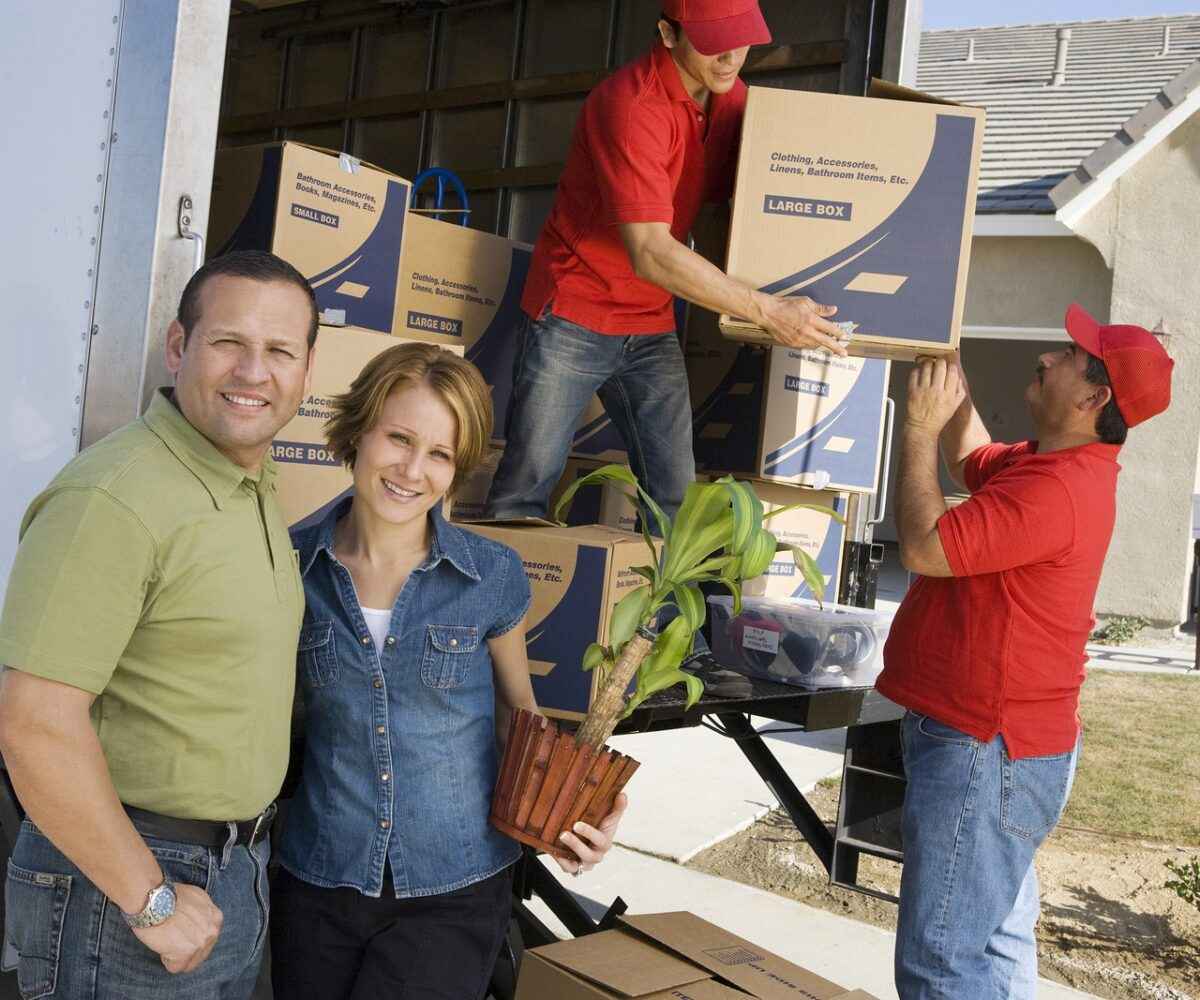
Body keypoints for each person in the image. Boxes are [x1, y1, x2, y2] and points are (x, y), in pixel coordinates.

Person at [0, 251, 318, 998]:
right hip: (126, 887)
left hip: (232, 877)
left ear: (307, 369)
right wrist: (153, 899)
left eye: (279, 351)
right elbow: (33, 723)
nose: (253, 373)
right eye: (228, 343)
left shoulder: (247, 483)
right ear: (179, 347)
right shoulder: (114, 499)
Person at [269, 342, 625, 1000]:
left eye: (439, 453)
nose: (412, 470)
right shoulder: (288, 565)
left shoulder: (490, 575)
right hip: (319, 882)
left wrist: (578, 814)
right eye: (398, 438)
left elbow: (520, 719)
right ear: (358, 431)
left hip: (454, 887)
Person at [876, 304, 1174, 999]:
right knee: (994, 944)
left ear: (1093, 398)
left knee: (943, 964)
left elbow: (923, 548)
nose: (1047, 357)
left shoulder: (1058, 492)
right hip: (1003, 749)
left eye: (1069, 356)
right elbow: (969, 455)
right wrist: (950, 378)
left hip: (987, 751)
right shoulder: (1045, 464)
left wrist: (915, 427)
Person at [485, 0, 848, 525]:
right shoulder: (631, 105)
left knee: (673, 491)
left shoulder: (732, 100)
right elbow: (652, 252)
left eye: (741, 39)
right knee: (527, 483)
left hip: (650, 319)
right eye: (711, 41)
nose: (730, 58)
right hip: (575, 310)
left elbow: (738, 210)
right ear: (667, 33)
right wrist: (767, 310)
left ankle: (658, 607)